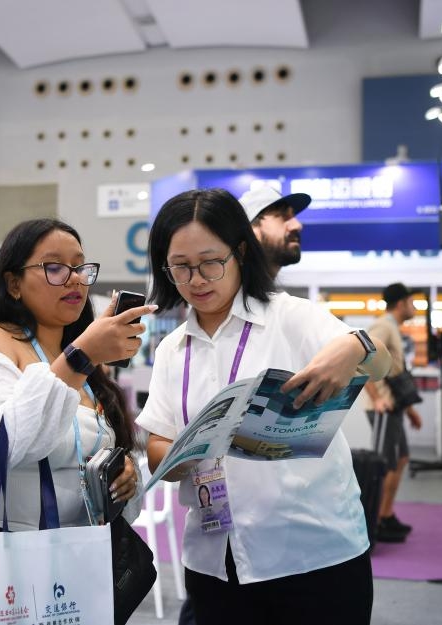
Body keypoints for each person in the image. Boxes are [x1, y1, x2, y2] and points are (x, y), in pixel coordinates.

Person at [138, 188, 391, 625]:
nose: (197, 279)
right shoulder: (172, 350)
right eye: (181, 267)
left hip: (313, 555)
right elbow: (157, 444)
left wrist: (356, 346)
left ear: (239, 252)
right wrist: (186, 453)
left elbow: (386, 362)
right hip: (215, 559)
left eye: (211, 262)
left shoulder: (291, 317)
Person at [0, 218, 156, 531]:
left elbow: (95, 449)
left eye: (80, 267)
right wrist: (81, 357)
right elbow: (1, 444)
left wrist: (124, 473)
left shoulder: (86, 365)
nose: (74, 279)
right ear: (13, 283)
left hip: (80, 553)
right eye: (54, 267)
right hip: (7, 555)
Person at [362, 282, 424, 543]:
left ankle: (385, 516)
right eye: (411, 302)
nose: (414, 307)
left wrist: (409, 410)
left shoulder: (393, 328)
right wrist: (377, 400)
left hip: (395, 406)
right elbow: (362, 359)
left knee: (400, 460)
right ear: (401, 303)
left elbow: (394, 372)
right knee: (385, 464)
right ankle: (375, 521)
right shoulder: (383, 327)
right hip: (384, 408)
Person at [238, 186, 310, 279]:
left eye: (293, 215)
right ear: (252, 231)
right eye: (283, 216)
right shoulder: (227, 291)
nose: (298, 225)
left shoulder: (261, 292)